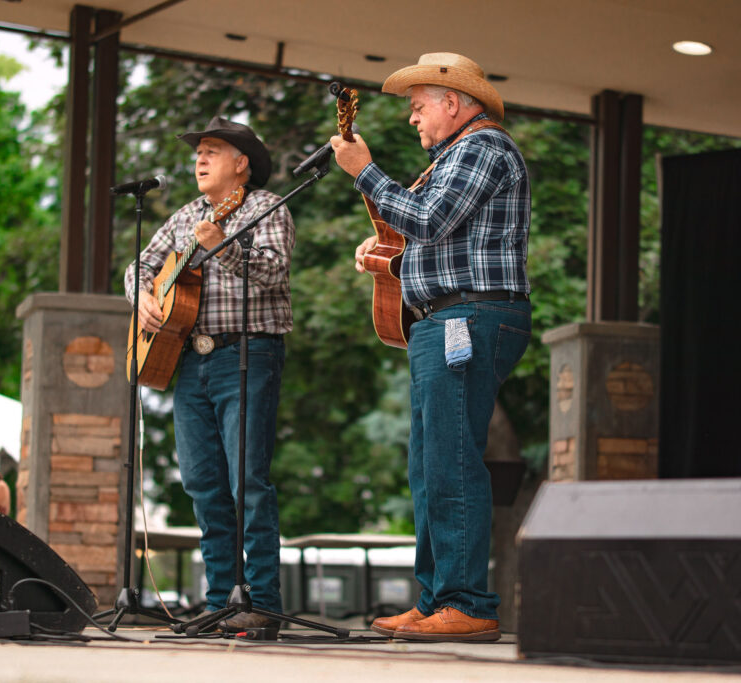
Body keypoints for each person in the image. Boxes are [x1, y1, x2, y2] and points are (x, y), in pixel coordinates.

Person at [330, 53, 532, 642]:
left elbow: (429, 218)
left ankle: (467, 603)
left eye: (419, 107)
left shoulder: (483, 148)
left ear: (453, 102)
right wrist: (392, 260)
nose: (413, 120)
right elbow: (444, 241)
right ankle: (438, 598)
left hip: (467, 317)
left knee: (453, 460)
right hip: (450, 317)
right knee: (429, 465)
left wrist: (364, 171)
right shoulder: (454, 156)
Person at [124, 116, 294, 631]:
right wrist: (144, 298)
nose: (199, 159)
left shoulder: (264, 207)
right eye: (198, 151)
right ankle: (222, 601)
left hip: (247, 353)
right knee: (201, 483)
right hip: (188, 360)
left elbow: (274, 270)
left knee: (248, 481)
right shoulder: (184, 215)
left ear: (241, 166)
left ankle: (260, 601)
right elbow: (139, 265)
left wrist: (224, 243)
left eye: (213, 151)